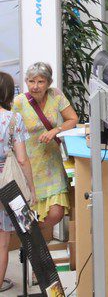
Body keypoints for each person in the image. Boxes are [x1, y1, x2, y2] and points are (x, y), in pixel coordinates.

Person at [15, 62, 77, 242]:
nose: (35, 86)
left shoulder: (56, 95)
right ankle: (39, 258)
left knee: (55, 213)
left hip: (52, 163)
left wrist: (55, 130)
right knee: (32, 213)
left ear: (48, 83)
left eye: (40, 81)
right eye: (31, 81)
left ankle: (34, 238)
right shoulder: (19, 102)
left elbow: (72, 119)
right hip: (29, 166)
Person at [0, 72, 36, 293]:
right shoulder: (13, 120)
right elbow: (22, 159)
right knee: (2, 243)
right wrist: (31, 189)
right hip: (5, 184)